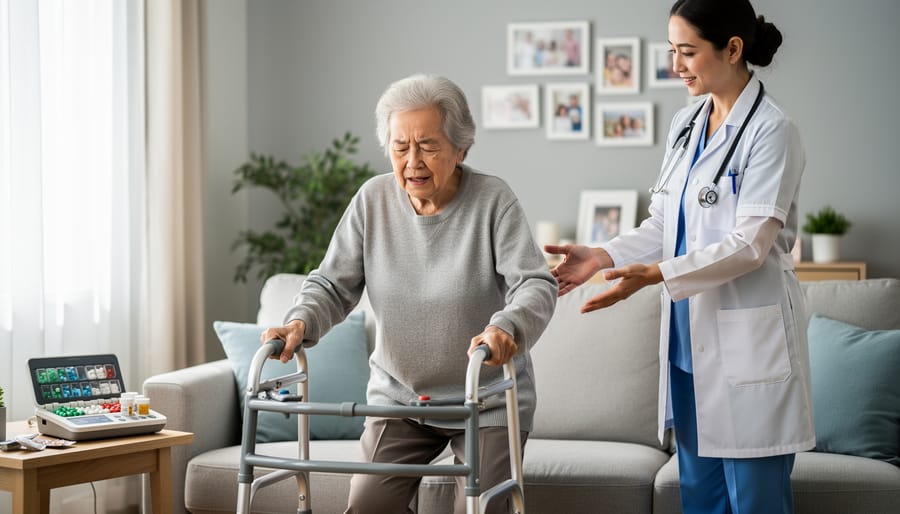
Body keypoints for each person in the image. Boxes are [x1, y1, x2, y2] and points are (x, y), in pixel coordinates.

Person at [545, 1, 813, 513]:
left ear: (733, 48)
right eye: (672, 50)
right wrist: (602, 255)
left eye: (687, 52)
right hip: (688, 348)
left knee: (756, 503)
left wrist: (656, 274)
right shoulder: (686, 124)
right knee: (702, 501)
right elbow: (665, 225)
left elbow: (751, 243)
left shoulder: (773, 131)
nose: (675, 66)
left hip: (747, 346)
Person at [261, 73, 558, 514]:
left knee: (483, 509)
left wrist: (506, 327)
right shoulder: (372, 201)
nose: (412, 161)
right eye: (401, 147)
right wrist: (300, 320)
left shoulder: (493, 201)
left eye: (428, 146)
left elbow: (535, 283)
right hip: (400, 400)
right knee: (366, 508)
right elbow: (331, 283)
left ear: (461, 149)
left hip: (486, 399)